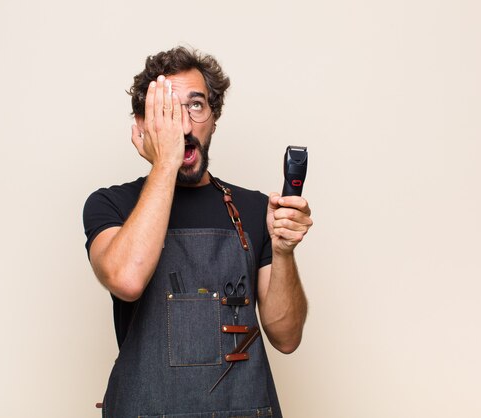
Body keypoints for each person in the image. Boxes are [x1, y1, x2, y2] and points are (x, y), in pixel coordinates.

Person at [83, 46, 313, 418]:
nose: (185, 126)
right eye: (168, 112)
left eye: (195, 106)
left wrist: (284, 251)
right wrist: (166, 162)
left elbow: (286, 338)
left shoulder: (254, 209)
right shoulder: (111, 205)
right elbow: (127, 279)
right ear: (143, 126)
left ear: (214, 117)